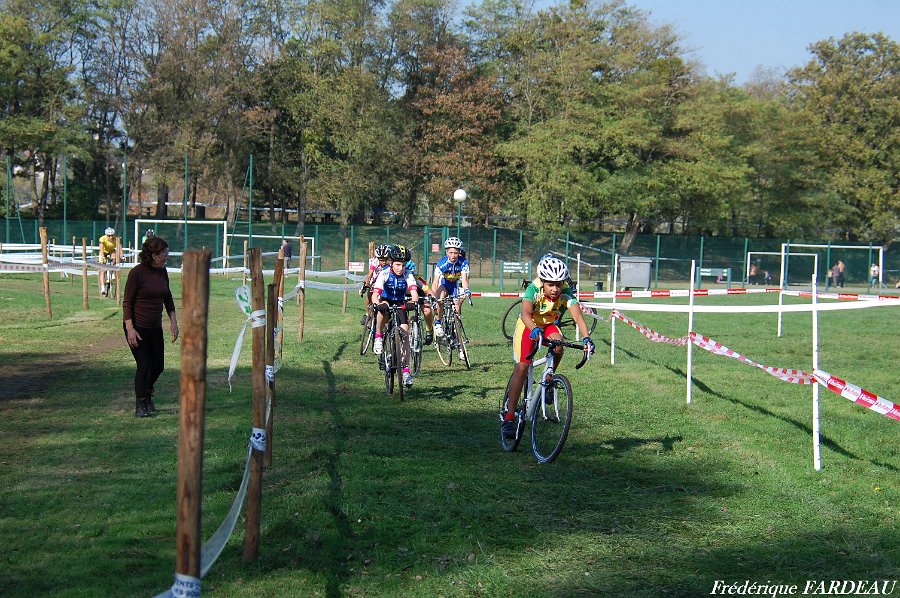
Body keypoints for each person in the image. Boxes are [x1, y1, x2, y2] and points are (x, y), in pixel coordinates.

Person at [501, 256, 594, 439]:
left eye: (558, 284)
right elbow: (525, 313)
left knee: (559, 345)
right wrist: (534, 329)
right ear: (543, 281)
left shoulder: (565, 291)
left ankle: (549, 379)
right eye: (550, 284)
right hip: (529, 325)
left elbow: (578, 317)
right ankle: (509, 416)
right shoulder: (533, 288)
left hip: (548, 324)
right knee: (522, 367)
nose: (555, 289)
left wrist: (586, 338)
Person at [123, 236, 179, 417]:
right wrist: (130, 329)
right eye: (164, 254)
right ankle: (141, 403)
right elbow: (127, 303)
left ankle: (146, 391)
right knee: (144, 364)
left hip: (154, 327)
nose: (167, 256)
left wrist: (173, 321)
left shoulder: (163, 271)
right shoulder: (137, 273)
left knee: (158, 366)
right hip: (137, 327)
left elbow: (167, 297)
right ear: (154, 255)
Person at [371, 246, 420, 387]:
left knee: (405, 335)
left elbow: (414, 293)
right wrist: (377, 303)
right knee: (382, 310)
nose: (401, 268)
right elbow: (375, 295)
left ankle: (405, 371)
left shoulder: (408, 274)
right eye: (398, 264)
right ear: (391, 263)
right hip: (386, 300)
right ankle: (378, 336)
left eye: (403, 265)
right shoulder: (384, 273)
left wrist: (413, 302)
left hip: (399, 302)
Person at [430, 236, 471, 339]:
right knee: (440, 299)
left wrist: (466, 290)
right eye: (451, 252)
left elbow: (464, 280)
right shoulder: (442, 264)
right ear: (446, 252)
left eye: (456, 253)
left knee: (457, 306)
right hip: (444, 284)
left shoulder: (463, 262)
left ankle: (456, 330)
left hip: (454, 286)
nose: (453, 255)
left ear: (459, 252)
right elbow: (435, 283)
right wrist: (433, 296)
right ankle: (438, 323)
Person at [98, 227, 118, 296]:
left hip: (111, 252)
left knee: (114, 258)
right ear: (106, 236)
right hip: (103, 252)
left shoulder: (115, 239)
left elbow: (119, 247)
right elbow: (101, 249)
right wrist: (103, 257)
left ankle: (112, 271)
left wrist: (121, 255)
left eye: (112, 235)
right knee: (102, 271)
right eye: (109, 236)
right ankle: (103, 288)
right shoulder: (102, 239)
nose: (111, 237)